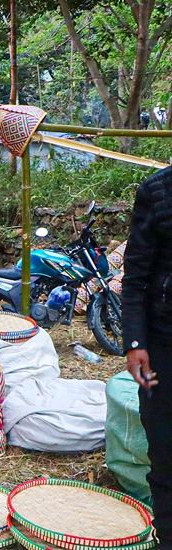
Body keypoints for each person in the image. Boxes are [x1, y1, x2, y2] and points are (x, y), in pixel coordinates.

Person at [122, 166, 172, 546]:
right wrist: (135, 341)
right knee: (164, 445)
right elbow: (136, 273)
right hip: (160, 347)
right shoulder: (157, 191)